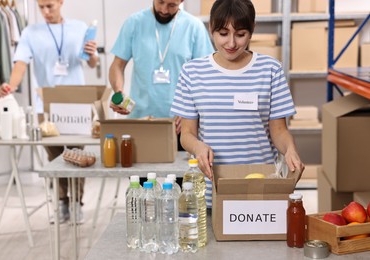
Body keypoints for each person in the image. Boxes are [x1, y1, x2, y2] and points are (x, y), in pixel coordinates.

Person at [170, 0, 305, 208]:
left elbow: (279, 131)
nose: (231, 43)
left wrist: (290, 150)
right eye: (223, 33)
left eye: (240, 34)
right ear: (211, 29)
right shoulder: (192, 72)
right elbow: (187, 134)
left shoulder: (270, 70)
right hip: (211, 189)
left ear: (252, 30)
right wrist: (198, 147)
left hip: (260, 187)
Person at [0, 0, 99, 224]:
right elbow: (20, 64)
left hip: (77, 105)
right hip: (47, 106)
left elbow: (92, 63)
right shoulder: (30, 32)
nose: (45, 11)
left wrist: (92, 55)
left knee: (77, 156)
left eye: (50, 6)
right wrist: (11, 87)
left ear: (61, 2)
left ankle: (77, 203)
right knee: (55, 157)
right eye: (41, 6)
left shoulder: (80, 28)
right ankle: (62, 202)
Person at [109, 0, 214, 141]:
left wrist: (191, 110)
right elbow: (117, 65)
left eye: (172, 5)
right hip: (140, 120)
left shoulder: (194, 27)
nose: (164, 10)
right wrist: (118, 91)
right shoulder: (134, 23)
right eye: (161, 2)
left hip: (180, 125)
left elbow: (206, 75)